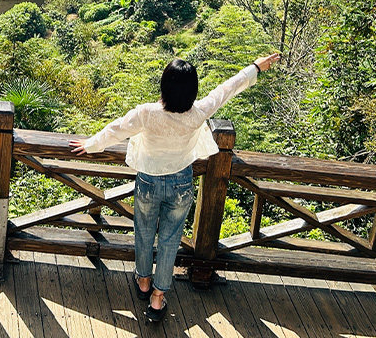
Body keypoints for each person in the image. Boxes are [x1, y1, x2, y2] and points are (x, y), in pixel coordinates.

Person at [70, 53, 280, 323]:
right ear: (192, 90)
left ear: (164, 86)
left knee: (144, 232)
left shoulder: (147, 113)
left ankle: (143, 282)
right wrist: (255, 68)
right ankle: (158, 297)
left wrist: (90, 144)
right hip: (181, 182)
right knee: (170, 240)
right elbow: (227, 89)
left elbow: (117, 130)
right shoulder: (198, 113)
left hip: (149, 181)